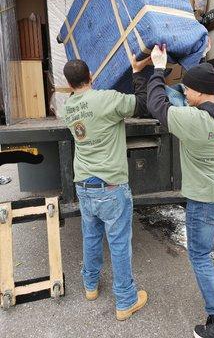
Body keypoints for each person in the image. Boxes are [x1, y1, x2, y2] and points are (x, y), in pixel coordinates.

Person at [147, 45, 214, 338]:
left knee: (200, 255)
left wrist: (157, 68)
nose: (184, 93)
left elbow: (157, 104)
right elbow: (196, 88)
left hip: (204, 199)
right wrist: (198, 59)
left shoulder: (193, 120)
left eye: (188, 89)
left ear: (200, 94)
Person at [62, 56, 150, 321]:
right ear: (91, 76)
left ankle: (90, 286)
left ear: (68, 84)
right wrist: (136, 71)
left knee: (91, 236)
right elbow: (142, 104)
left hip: (84, 186)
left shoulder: (68, 108)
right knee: (119, 242)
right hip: (110, 185)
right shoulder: (107, 99)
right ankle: (125, 301)